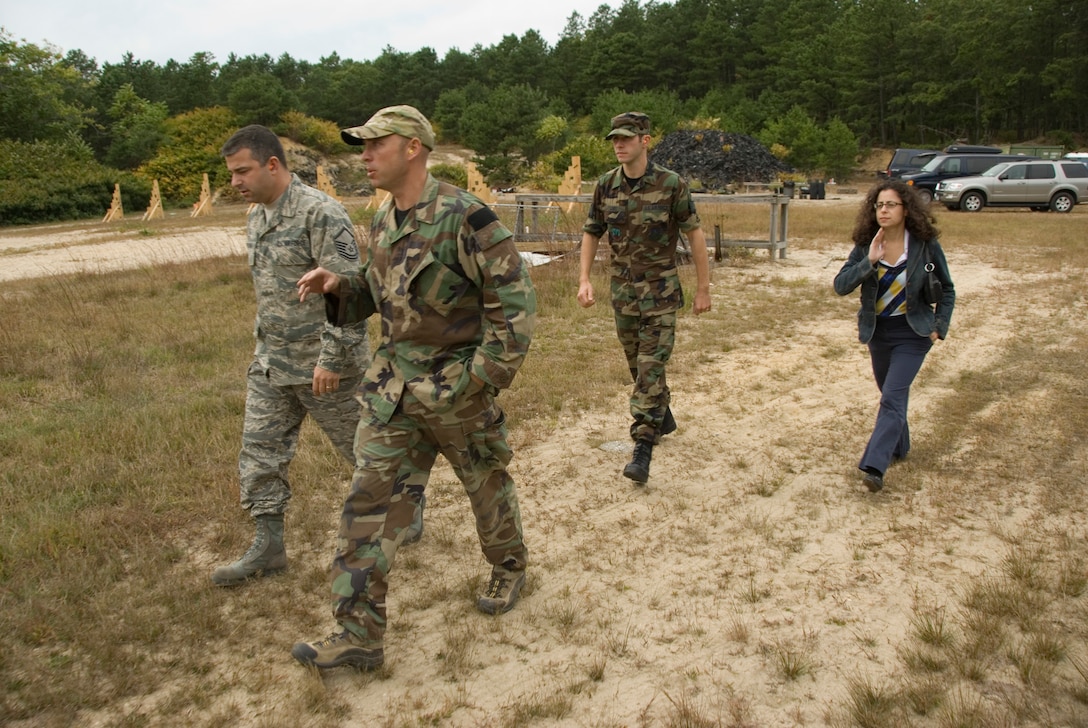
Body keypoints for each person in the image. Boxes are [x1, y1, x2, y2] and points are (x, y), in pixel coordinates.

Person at [290, 105, 536, 670]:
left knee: (485, 484)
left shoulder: (465, 217)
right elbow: (380, 296)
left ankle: (509, 566)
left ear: (413, 149)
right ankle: (358, 636)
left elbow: (516, 306)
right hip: (393, 391)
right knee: (367, 506)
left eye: (377, 144)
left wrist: (479, 381)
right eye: (363, 146)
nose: (365, 155)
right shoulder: (383, 218)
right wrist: (338, 285)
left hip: (457, 388)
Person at [212, 125, 422, 587]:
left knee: (363, 452)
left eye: (242, 171)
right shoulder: (257, 216)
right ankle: (268, 545)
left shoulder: (320, 214)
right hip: (271, 364)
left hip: (325, 367)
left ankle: (406, 505)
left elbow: (348, 294)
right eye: (231, 174)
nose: (235, 182)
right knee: (260, 455)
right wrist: (263, 347)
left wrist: (331, 358)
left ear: (272, 164)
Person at [577, 112, 712, 485]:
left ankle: (643, 445)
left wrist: (703, 287)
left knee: (650, 366)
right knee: (639, 367)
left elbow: (695, 235)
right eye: (614, 139)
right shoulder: (606, 185)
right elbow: (592, 232)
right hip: (623, 294)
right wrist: (584, 279)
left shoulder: (671, 184)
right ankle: (662, 414)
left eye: (626, 138)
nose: (618, 145)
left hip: (661, 294)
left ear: (645, 141)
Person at [833, 178, 955, 492]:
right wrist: (869, 261)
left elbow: (948, 289)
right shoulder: (866, 244)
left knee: (892, 396)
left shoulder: (924, 244)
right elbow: (841, 285)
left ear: (906, 209)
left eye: (890, 205)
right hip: (879, 332)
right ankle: (900, 446)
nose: (883, 211)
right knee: (892, 394)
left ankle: (875, 465)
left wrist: (940, 325)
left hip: (913, 333)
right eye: (879, 205)